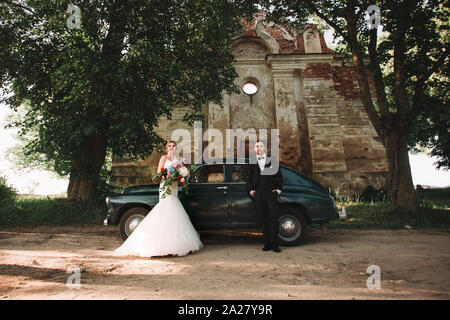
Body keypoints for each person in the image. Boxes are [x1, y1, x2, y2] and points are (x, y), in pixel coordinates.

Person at [114, 141, 203, 257]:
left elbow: (182, 173)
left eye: (173, 146)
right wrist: (168, 178)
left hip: (174, 187)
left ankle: (176, 243)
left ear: (176, 148)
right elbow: (159, 173)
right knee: (165, 209)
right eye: (169, 146)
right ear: (167, 148)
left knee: (174, 212)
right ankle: (159, 244)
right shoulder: (164, 158)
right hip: (165, 186)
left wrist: (179, 175)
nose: (171, 148)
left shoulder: (178, 160)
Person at [248, 141, 283, 253]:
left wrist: (278, 189)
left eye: (261, 146)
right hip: (258, 194)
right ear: (255, 149)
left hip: (271, 192)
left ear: (264, 148)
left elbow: (278, 175)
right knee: (263, 219)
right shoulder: (252, 161)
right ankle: (267, 244)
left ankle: (275, 245)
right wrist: (251, 190)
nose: (259, 148)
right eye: (257, 146)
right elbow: (249, 177)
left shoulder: (272, 159)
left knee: (273, 218)